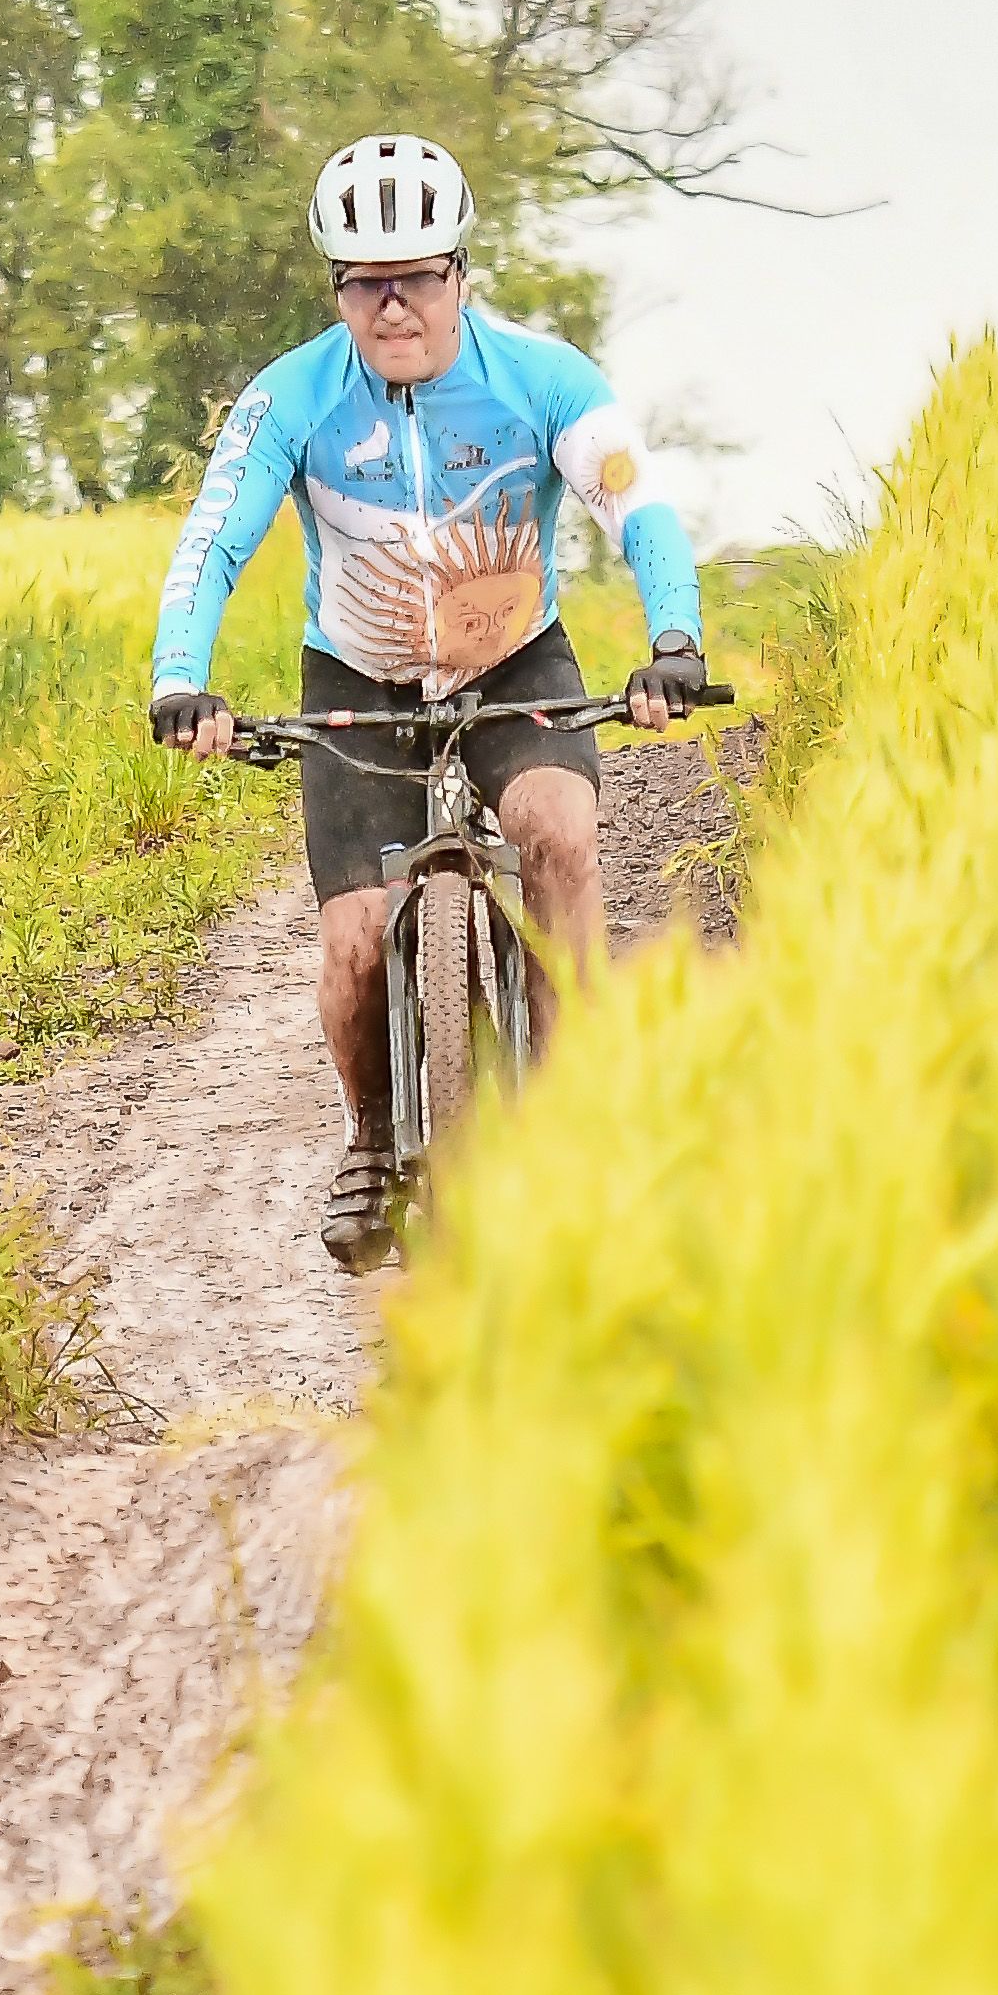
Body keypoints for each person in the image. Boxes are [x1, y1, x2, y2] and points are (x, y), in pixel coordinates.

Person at [148, 132, 709, 1266]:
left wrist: (674, 640)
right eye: (366, 283)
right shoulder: (291, 397)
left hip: (515, 663)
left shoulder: (543, 379)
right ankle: (370, 1135)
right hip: (357, 680)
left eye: (416, 277)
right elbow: (215, 537)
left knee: (559, 832)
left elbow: (633, 499)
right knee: (356, 941)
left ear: (460, 271)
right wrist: (180, 678)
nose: (393, 305)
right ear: (337, 289)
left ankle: (576, 1112)